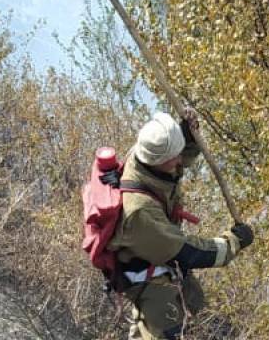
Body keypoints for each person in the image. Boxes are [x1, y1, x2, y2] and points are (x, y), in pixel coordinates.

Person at [106, 111, 255, 340]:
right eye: (174, 156)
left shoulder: (144, 158)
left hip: (157, 260)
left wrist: (187, 137)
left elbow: (174, 161)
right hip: (149, 281)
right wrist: (233, 241)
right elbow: (188, 252)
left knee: (176, 317)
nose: (179, 161)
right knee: (167, 331)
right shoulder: (139, 212)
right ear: (158, 161)